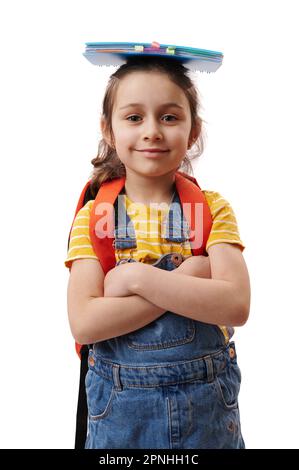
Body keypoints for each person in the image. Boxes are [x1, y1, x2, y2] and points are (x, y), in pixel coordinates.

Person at [65, 54, 251, 449]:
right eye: (134, 117)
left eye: (169, 117)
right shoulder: (95, 217)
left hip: (207, 416)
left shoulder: (211, 209)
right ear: (109, 129)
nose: (152, 131)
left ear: (193, 129)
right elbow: (84, 322)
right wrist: (190, 280)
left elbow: (235, 305)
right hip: (120, 421)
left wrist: (133, 280)